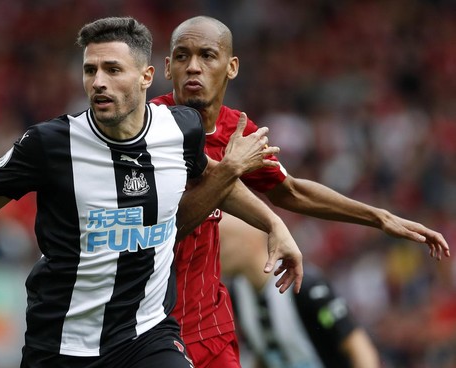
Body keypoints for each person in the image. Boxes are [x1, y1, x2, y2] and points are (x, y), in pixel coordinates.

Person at [0, 17, 303, 368]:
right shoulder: (49, 144)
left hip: (147, 336)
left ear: (145, 77)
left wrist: (273, 224)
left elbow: (211, 178)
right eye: (90, 70)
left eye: (112, 70)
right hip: (61, 343)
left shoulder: (180, 130)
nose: (99, 82)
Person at [151, 15, 449, 368]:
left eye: (207, 55)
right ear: (168, 67)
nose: (193, 67)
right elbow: (171, 222)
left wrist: (379, 217)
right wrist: (270, 218)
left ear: (231, 67)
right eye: (182, 57)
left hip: (210, 326)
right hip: (153, 326)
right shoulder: (150, 128)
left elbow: (290, 192)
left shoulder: (236, 129)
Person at [222, 214, 380, 368]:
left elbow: (358, 346)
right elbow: (265, 354)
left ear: (250, 241)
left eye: (222, 242)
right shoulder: (237, 294)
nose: (215, 252)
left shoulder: (304, 286)